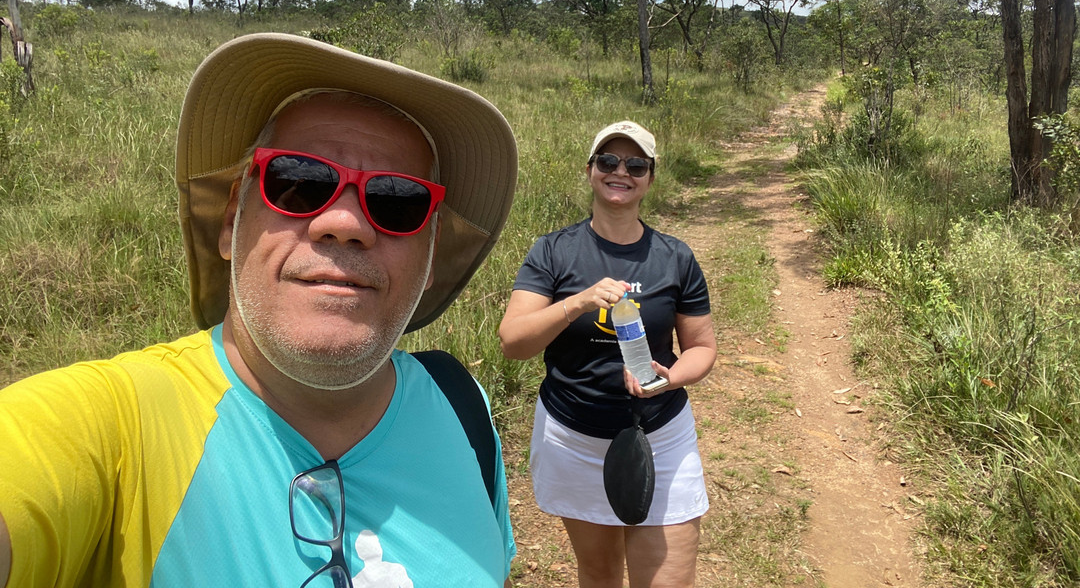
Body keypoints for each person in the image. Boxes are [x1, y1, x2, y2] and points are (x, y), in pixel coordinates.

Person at [0, 32, 519, 588]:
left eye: (397, 200)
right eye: (298, 182)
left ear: (432, 253)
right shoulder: (110, 426)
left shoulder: (462, 407)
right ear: (230, 222)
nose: (344, 224)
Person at [499, 119, 716, 588]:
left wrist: (669, 378)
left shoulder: (675, 257)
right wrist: (576, 302)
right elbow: (513, 341)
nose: (622, 171)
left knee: (668, 578)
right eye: (609, 161)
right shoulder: (554, 252)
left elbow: (701, 348)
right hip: (573, 435)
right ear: (590, 169)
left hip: (661, 434)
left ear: (651, 178)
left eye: (636, 164)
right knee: (598, 573)